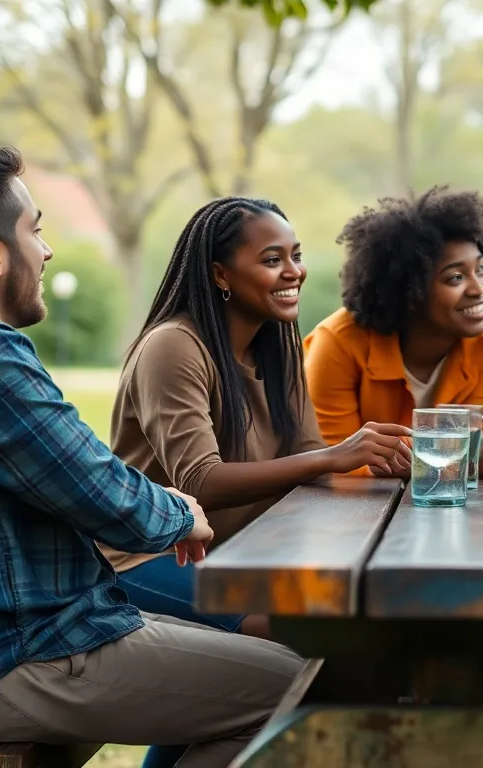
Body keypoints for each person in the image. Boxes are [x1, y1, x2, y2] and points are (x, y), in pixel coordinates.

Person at [0, 143, 302, 768]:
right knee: (295, 686)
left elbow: (67, 473)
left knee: (244, 667)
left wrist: (163, 506)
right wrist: (180, 514)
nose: (45, 252)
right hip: (5, 658)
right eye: (34, 231)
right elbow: (98, 491)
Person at [100, 196, 412, 641]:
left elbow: (306, 455)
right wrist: (334, 457)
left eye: (296, 255)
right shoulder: (173, 347)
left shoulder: (277, 343)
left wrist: (366, 464)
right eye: (272, 259)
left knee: (371, 600)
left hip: (241, 554)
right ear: (220, 273)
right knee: (316, 627)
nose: (294, 271)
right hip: (148, 556)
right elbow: (200, 482)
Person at [303, 185, 483, 471]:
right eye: (455, 278)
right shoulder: (336, 342)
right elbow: (337, 463)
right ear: (409, 291)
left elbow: (482, 448)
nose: (479, 288)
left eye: (481, 270)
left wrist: (407, 455)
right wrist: (448, 449)